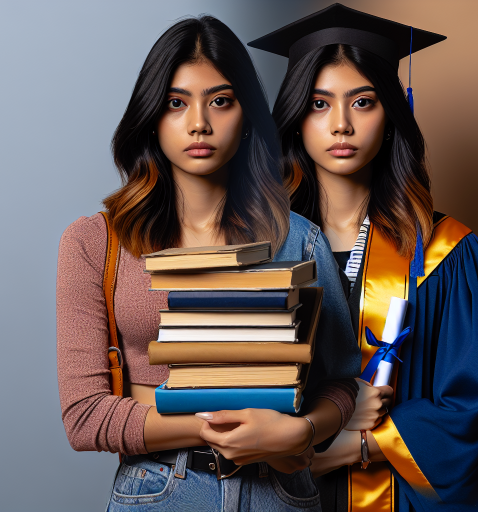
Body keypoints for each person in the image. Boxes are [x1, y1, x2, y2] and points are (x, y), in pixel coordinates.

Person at [249, 4, 478, 511]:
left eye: (362, 102)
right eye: (320, 104)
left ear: (391, 114)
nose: (341, 125)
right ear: (296, 116)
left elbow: (472, 405)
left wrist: (359, 445)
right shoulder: (263, 247)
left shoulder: (445, 253)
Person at [56, 15, 361, 511]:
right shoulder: (95, 243)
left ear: (245, 115)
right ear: (152, 115)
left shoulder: (299, 240)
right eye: (177, 103)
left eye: (220, 101)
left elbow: (341, 383)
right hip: (160, 491)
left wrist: (300, 432)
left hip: (280, 494)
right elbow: (85, 417)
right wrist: (224, 427)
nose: (199, 122)